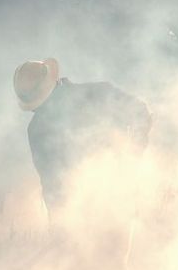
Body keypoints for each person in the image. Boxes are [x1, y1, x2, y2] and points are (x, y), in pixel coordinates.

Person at [14, 58, 151, 213]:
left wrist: (134, 152)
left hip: (110, 201)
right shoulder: (99, 92)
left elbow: (51, 186)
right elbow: (51, 185)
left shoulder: (37, 129)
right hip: (101, 206)